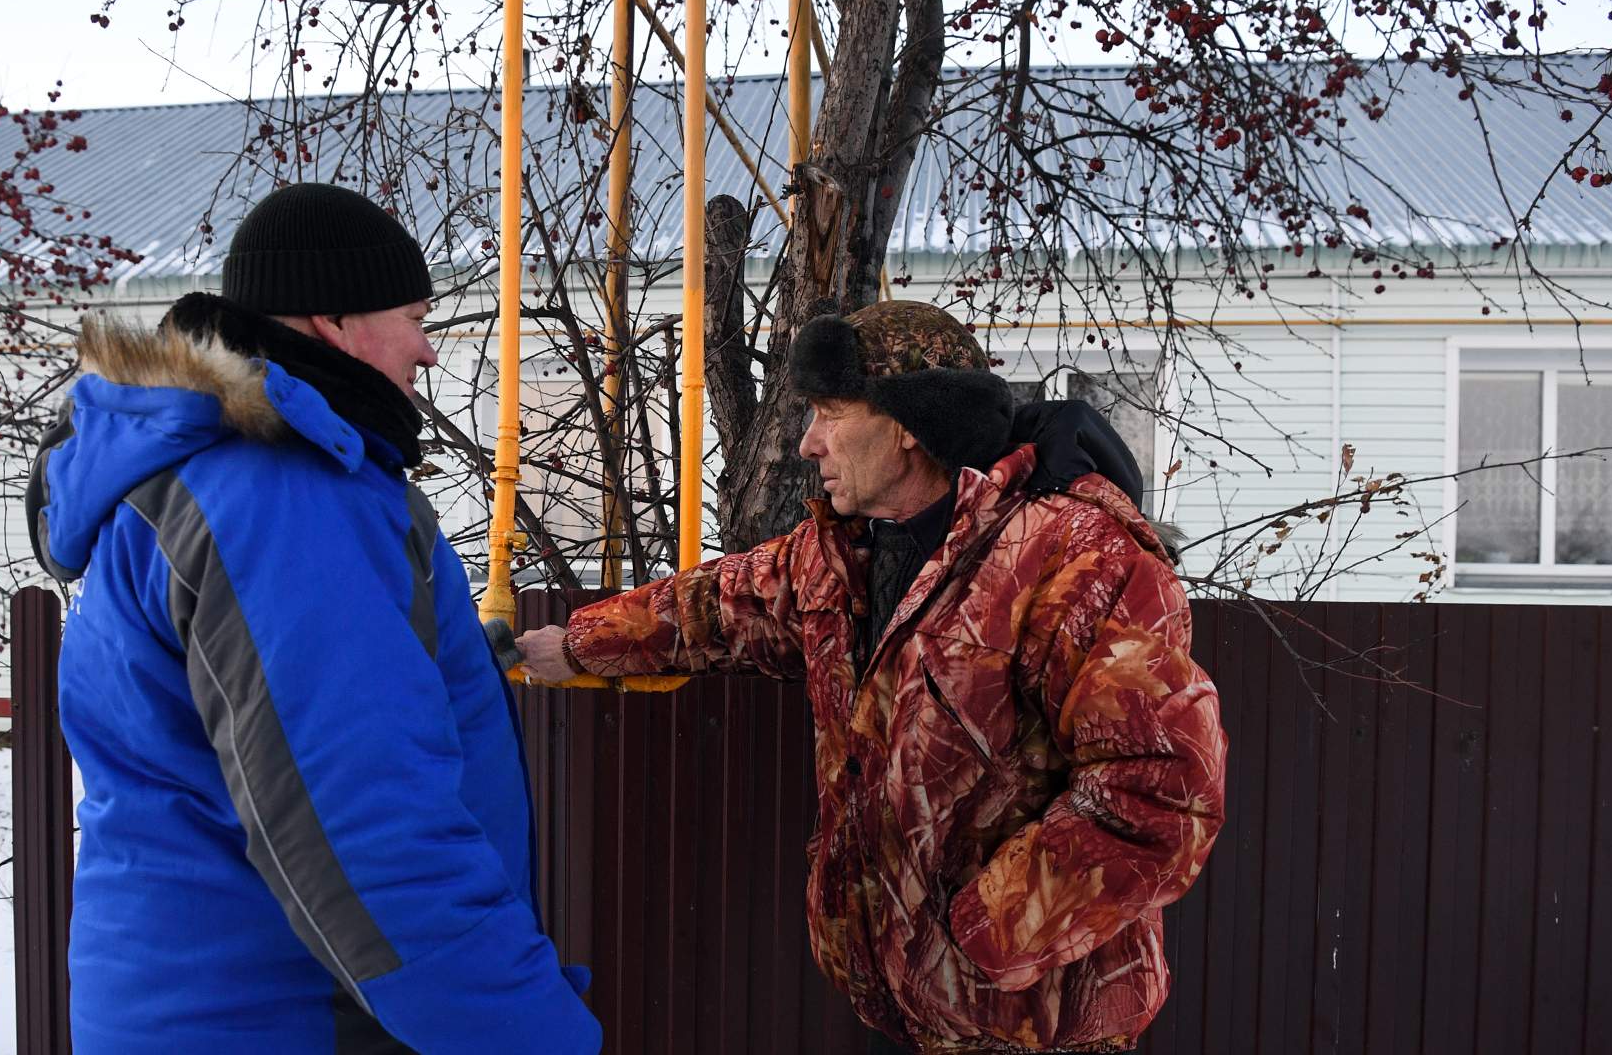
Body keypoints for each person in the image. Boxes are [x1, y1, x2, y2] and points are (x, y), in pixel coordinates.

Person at [519, 301, 1226, 1054]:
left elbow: (1158, 792)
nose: (807, 442)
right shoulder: (842, 553)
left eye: (830, 412)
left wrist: (985, 934)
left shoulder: (1073, 560)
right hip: (912, 1011)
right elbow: (716, 608)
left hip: (1042, 1025)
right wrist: (577, 645)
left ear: (909, 425)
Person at [26, 183, 601, 1053]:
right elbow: (371, 838)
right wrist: (530, 1033)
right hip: (291, 1015)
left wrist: (425, 662)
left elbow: (257, 721)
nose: (429, 350)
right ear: (333, 322)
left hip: (200, 1001)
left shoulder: (203, 477)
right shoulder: (281, 496)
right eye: (413, 315)